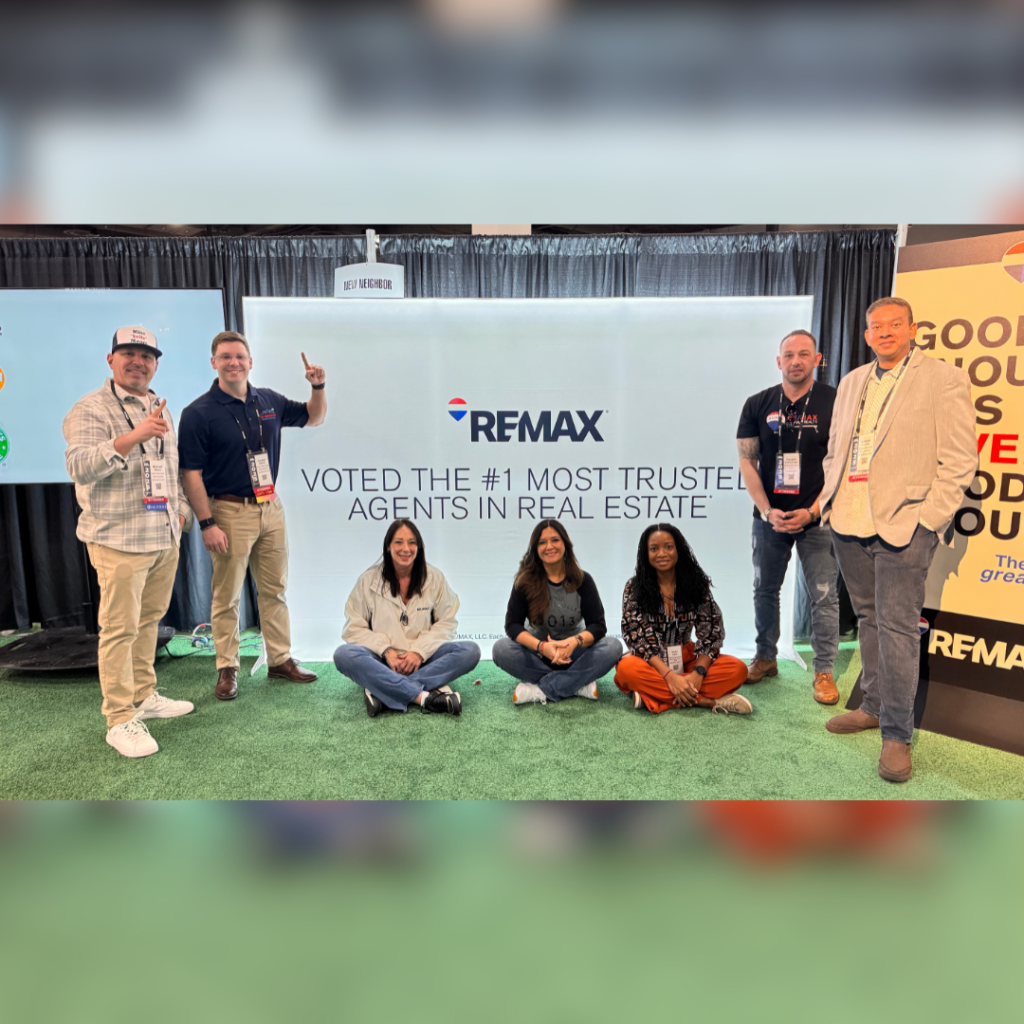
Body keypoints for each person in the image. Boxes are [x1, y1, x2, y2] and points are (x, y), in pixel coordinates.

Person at [819, 297, 977, 783]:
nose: (884, 332)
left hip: (906, 524)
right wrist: (829, 498)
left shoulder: (943, 378)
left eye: (894, 324)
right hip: (849, 519)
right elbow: (838, 447)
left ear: (912, 328)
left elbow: (961, 458)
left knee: (899, 628)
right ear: (866, 334)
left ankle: (896, 734)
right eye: (875, 326)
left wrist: (929, 519)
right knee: (869, 619)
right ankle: (871, 705)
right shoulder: (853, 381)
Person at [63, 326, 194, 757]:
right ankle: (119, 718)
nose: (138, 362)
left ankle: (143, 695)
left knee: (148, 620)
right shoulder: (90, 408)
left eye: (147, 356)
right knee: (119, 628)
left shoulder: (159, 406)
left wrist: (180, 512)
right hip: (118, 539)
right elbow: (80, 466)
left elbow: (169, 469)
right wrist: (135, 435)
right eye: (129, 354)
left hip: (162, 536)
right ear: (111, 359)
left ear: (155, 363)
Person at [179, 331, 326, 700]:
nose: (234, 363)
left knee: (274, 589)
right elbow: (190, 474)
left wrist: (318, 387)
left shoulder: (269, 401)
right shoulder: (197, 413)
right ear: (214, 362)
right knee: (227, 595)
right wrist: (207, 523)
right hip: (228, 510)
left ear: (250, 362)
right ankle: (227, 668)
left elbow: (314, 417)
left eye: (240, 357)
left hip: (270, 508)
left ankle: (280, 659)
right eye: (226, 357)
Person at [736, 329, 841, 704]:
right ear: (779, 361)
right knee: (764, 589)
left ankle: (824, 671)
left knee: (824, 596)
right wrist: (767, 511)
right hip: (770, 518)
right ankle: (766, 657)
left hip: (819, 518)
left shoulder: (836, 401)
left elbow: (843, 464)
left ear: (817, 359)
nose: (796, 361)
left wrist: (813, 511)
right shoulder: (757, 403)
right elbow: (747, 462)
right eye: (789, 355)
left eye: (804, 354)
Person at [334, 519, 480, 717]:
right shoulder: (367, 580)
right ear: (388, 546)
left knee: (470, 651)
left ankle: (382, 690)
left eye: (412, 543)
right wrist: (386, 651)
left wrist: (419, 652)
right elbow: (354, 628)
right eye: (398, 542)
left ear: (419, 547)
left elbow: (446, 623)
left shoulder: (435, 578)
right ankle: (424, 697)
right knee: (343, 654)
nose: (406, 549)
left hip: (424, 659)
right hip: (382, 661)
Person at [615, 523, 751, 714]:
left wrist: (698, 673)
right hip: (651, 661)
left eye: (668, 547)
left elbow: (710, 633)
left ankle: (653, 696)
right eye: (654, 549)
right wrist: (670, 677)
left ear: (678, 549)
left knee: (738, 669)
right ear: (645, 554)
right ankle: (708, 702)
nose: (662, 553)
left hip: (686, 655)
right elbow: (638, 638)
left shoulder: (696, 584)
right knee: (627, 669)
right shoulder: (634, 587)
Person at [491, 519, 622, 705]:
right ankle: (577, 684)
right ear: (535, 549)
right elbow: (512, 625)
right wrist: (542, 647)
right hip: (538, 654)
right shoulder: (525, 581)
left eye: (555, 540)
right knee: (500, 649)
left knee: (613, 646)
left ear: (565, 544)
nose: (549, 546)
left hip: (574, 653)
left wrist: (573, 642)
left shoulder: (583, 580)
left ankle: (541, 689)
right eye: (542, 542)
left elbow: (598, 626)